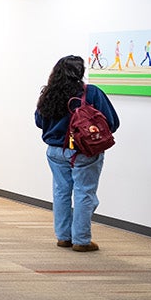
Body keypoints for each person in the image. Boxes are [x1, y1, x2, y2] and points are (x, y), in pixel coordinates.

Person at [34, 54, 120, 252]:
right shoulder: (92, 93)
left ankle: (64, 237)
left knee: (61, 192)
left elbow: (39, 122)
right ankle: (81, 240)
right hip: (85, 151)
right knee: (85, 193)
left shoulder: (48, 95)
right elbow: (112, 122)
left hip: (55, 151)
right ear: (80, 72)